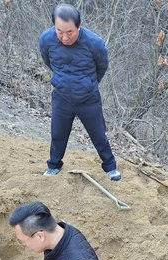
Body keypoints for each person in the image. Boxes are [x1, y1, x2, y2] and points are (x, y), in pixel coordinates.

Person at [38, 3, 120, 181]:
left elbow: (102, 66)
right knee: (58, 133)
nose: (64, 37)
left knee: (98, 134)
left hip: (88, 99)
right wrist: (62, 80)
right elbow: (47, 60)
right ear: (54, 26)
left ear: (79, 26)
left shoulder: (94, 43)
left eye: (69, 32)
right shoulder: (46, 39)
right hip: (62, 97)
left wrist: (89, 83)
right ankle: (53, 165)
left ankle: (110, 167)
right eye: (60, 31)